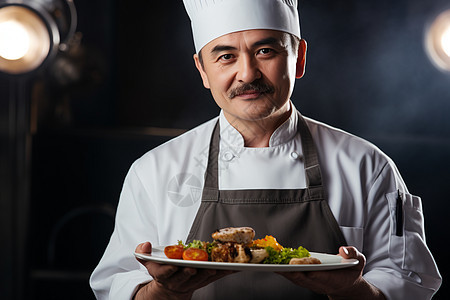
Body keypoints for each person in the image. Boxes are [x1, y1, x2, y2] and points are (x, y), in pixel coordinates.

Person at [90, 0, 442, 299]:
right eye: (226, 56)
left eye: (265, 51)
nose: (247, 73)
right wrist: (165, 291)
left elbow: (410, 281)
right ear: (202, 70)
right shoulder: (154, 171)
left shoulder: (367, 166)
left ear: (299, 58)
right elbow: (115, 285)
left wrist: (351, 290)